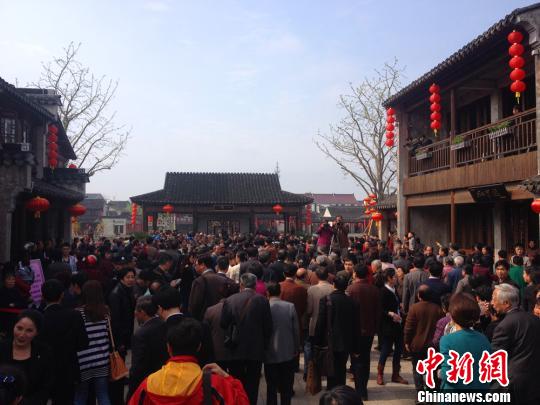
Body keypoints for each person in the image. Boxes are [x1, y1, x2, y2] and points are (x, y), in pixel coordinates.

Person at [128, 318, 249, 405]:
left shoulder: (148, 384)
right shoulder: (213, 384)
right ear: (199, 347)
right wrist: (227, 377)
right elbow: (241, 401)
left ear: (168, 348)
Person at [220, 272, 273, 405]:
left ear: (241, 285)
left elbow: (223, 323)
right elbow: (268, 326)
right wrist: (265, 345)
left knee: (237, 381)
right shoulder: (262, 300)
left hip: (235, 347)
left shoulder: (230, 300)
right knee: (253, 384)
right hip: (256, 348)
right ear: (255, 285)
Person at [39, 279, 88, 405]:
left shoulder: (39, 318)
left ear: (42, 296)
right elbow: (83, 343)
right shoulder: (74, 315)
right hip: (68, 368)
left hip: (44, 369)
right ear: (62, 295)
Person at [491, 283, 540, 404]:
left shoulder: (504, 326)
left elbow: (496, 359)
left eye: (494, 299)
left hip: (514, 386)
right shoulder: (533, 318)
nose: (492, 303)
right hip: (534, 381)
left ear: (506, 303)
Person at [439, 293, 492, 391]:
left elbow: (448, 373)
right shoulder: (483, 338)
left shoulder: (447, 340)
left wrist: (440, 373)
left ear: (453, 315)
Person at [0, 310, 53, 405]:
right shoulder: (2, 348)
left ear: (37, 332)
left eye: (29, 330)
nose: (22, 335)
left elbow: (46, 387)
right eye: (19, 328)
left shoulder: (44, 353)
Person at [315, 274, 356, 389]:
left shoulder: (326, 299)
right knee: (342, 367)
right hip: (346, 341)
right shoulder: (351, 301)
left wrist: (317, 341)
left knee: (331, 367)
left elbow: (321, 322)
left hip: (330, 340)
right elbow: (355, 324)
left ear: (334, 285)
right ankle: (340, 389)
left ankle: (332, 389)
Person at [74, 281, 112, 405]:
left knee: (81, 395)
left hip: (83, 361)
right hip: (102, 359)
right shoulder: (105, 311)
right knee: (103, 394)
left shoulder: (78, 313)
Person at [346, 263, 380, 400]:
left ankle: (360, 390)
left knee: (356, 360)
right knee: (365, 359)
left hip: (354, 331)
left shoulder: (351, 289)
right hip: (369, 330)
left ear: (355, 274)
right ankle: (362, 388)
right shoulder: (374, 290)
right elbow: (377, 312)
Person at [264, 283, 299, 405]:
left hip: (269, 353)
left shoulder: (265, 307)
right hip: (287, 352)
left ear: (267, 293)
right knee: (286, 386)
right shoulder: (290, 306)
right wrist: (296, 347)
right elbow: (296, 330)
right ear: (280, 292)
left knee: (271, 386)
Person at [404, 285, 443, 391]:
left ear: (419, 296)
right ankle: (431, 390)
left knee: (417, 369)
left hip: (417, 344)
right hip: (433, 345)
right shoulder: (437, 308)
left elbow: (409, 327)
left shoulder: (414, 308)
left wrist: (406, 341)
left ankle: (420, 391)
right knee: (432, 368)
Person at [127, 296, 168, 400]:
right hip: (163, 377)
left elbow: (137, 366)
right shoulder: (164, 324)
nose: (135, 313)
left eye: (136, 310)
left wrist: (131, 391)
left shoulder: (140, 335)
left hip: (146, 382)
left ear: (143, 312)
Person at [377, 268, 407, 385]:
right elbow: (380, 310)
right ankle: (380, 374)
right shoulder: (383, 291)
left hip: (397, 324)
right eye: (394, 276)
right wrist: (390, 314)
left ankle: (396, 374)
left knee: (398, 350)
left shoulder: (394, 289)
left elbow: (396, 304)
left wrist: (399, 307)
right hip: (387, 326)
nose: (396, 278)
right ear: (389, 278)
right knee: (385, 350)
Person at [304, 266, 334, 380]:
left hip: (315, 324)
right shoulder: (333, 288)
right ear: (328, 276)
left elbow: (309, 310)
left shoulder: (312, 289)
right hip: (330, 326)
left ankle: (310, 372)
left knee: (312, 350)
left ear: (316, 276)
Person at [189, 254, 237, 321]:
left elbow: (194, 305)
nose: (195, 267)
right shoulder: (226, 280)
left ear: (202, 265)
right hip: (223, 318)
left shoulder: (199, 281)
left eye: (196, 265)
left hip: (204, 319)